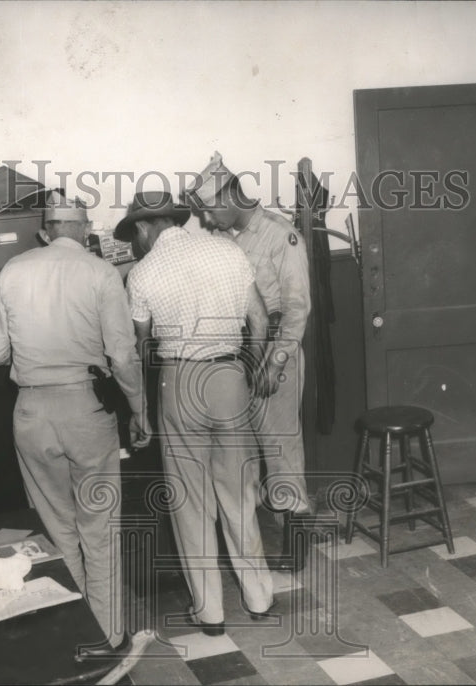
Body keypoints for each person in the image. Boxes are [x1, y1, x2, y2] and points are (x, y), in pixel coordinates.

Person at [0, 192, 149, 653]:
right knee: (99, 525)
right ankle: (109, 634)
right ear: (87, 229)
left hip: (32, 412)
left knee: (57, 529)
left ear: (44, 232)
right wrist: (138, 409)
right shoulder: (101, 273)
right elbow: (123, 355)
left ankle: (74, 636)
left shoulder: (13, 270)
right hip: (87, 411)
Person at [118, 190, 275, 636]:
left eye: (136, 233)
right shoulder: (226, 250)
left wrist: (145, 404)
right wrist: (251, 367)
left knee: (190, 501)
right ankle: (259, 596)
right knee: (239, 491)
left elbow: (142, 345)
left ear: (146, 228)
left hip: (178, 380)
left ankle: (210, 612)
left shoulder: (142, 272)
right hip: (228, 376)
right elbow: (260, 321)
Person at [188, 152, 314, 571]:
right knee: (241, 452)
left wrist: (275, 363)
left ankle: (297, 541)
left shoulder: (281, 235)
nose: (206, 219)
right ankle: (256, 537)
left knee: (281, 447)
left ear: (227, 198)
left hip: (277, 352)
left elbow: (296, 309)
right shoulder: (223, 240)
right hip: (237, 354)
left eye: (209, 209)